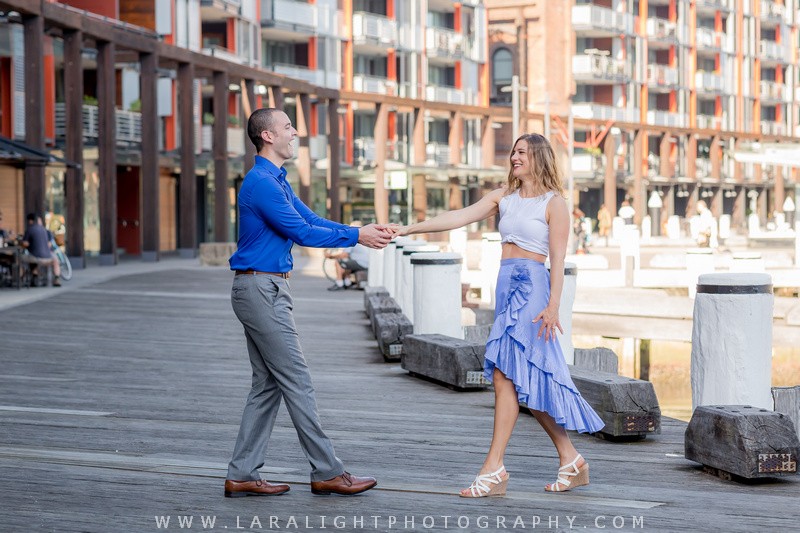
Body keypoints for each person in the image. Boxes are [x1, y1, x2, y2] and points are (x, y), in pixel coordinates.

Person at [396, 133, 604, 496]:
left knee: (512, 376)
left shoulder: (554, 204)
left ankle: (494, 468)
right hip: (506, 288)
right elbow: (459, 216)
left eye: (521, 152)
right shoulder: (503, 197)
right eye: (513, 152)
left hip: (534, 290)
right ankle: (571, 459)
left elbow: (558, 259)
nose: (514, 157)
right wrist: (411, 228)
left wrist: (553, 305)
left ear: (538, 157)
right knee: (519, 378)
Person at [224, 108, 394, 499]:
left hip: (265, 289)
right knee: (296, 379)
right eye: (287, 127)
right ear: (267, 136)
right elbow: (300, 232)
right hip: (260, 290)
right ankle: (327, 471)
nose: (295, 132)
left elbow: (311, 218)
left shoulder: (276, 181)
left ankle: (242, 473)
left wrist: (359, 231)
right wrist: (357, 237)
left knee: (267, 385)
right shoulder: (261, 184)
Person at [21, 213, 61, 287]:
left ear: (30, 221)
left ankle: (22, 278)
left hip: (37, 257)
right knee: (55, 258)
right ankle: (57, 278)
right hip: (48, 256)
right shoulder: (45, 230)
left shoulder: (30, 229)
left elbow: (25, 244)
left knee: (19, 258)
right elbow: (49, 244)